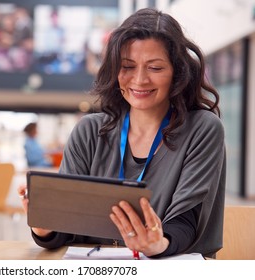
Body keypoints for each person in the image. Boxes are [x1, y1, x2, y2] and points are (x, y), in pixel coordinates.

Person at [19, 8, 226, 258]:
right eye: (127, 66)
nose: (139, 80)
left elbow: (186, 223)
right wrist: (45, 226)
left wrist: (158, 243)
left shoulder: (202, 129)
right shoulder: (89, 131)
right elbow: (65, 228)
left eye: (155, 68)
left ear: (177, 73)